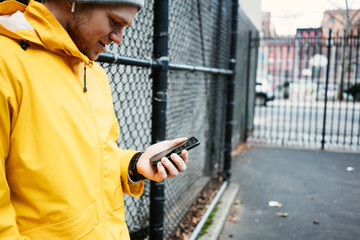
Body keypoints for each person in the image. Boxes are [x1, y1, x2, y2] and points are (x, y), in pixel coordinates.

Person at [0, 0, 189, 239]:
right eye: (114, 21)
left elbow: (97, 156)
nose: (119, 38)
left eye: (125, 27)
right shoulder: (6, 62)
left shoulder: (93, 72)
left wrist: (135, 164)